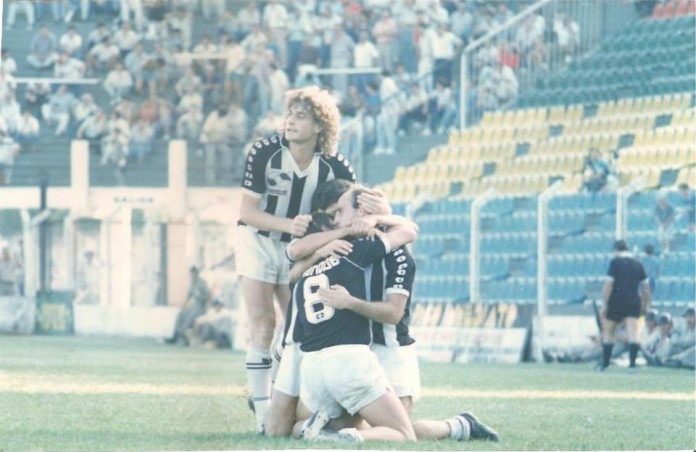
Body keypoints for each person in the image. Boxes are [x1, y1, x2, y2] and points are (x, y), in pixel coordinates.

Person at [236, 86, 356, 433]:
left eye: (300, 116)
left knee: (295, 330)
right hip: (258, 240)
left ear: (320, 125)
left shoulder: (335, 165)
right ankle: (263, 415)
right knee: (263, 324)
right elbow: (246, 212)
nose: (290, 121)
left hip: (302, 250)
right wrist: (290, 225)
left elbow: (350, 207)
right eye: (289, 114)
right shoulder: (265, 152)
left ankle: (272, 391)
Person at [597, 240, 651, 371]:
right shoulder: (638, 264)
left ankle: (605, 364)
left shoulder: (615, 262)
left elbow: (608, 285)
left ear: (616, 250)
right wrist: (645, 304)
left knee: (609, 332)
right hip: (633, 300)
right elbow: (646, 287)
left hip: (616, 300)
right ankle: (632, 365)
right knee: (633, 332)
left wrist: (604, 303)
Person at [165, 266, 211, 346]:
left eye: (194, 273)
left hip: (201, 306)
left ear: (197, 273)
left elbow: (208, 295)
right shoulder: (192, 283)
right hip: (194, 305)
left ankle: (181, 335)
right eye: (192, 273)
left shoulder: (202, 283)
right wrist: (183, 306)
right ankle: (175, 335)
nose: (193, 275)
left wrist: (205, 303)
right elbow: (188, 296)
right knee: (181, 314)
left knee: (190, 317)